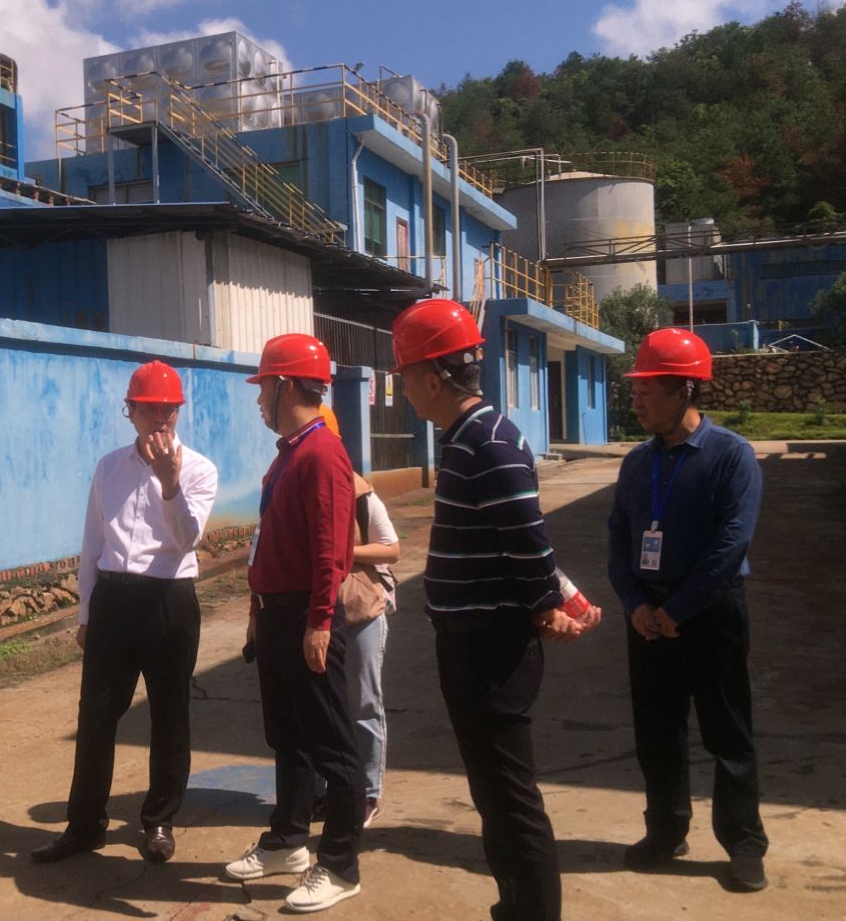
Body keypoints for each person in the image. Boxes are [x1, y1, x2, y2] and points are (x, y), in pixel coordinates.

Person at [394, 298, 588, 921]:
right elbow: (513, 535)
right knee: (491, 790)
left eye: (405, 377)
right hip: (468, 640)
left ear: (433, 378)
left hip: (491, 646)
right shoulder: (468, 439)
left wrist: (546, 605)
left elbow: (528, 539)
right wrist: (553, 595)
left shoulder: (488, 442)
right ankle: (514, 903)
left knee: (509, 794)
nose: (403, 391)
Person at [31, 361, 219, 866]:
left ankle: (159, 820)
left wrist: (170, 485)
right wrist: (86, 613)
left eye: (168, 410)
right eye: (149, 409)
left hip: (168, 600)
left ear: (178, 413)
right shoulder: (109, 467)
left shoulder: (199, 470)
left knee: (169, 713)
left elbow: (187, 539)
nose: (160, 418)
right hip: (113, 601)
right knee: (95, 715)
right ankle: (84, 824)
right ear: (129, 411)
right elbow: (93, 541)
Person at [608, 327, 769, 893]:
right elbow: (618, 540)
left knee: (727, 732)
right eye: (636, 389)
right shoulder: (637, 463)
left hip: (710, 611)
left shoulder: (731, 456)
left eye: (648, 389)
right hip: (647, 617)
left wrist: (679, 608)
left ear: (685, 391)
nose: (637, 400)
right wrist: (635, 604)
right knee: (656, 730)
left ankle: (744, 843)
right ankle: (665, 829)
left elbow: (732, 544)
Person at [223, 333, 365, 914]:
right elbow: (270, 543)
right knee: (289, 737)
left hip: (307, 615)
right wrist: (256, 613)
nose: (259, 399)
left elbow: (332, 549)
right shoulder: (289, 453)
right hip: (277, 614)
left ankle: (341, 865)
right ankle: (287, 841)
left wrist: (320, 621)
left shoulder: (321, 453)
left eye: (263, 388)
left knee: (333, 744)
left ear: (284, 386)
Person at [339, 470, 400, 829]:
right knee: (325, 704)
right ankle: (327, 789)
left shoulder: (361, 496)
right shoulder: (290, 485)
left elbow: (391, 549)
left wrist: (341, 553)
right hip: (311, 609)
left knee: (363, 701)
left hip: (361, 607)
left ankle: (367, 793)